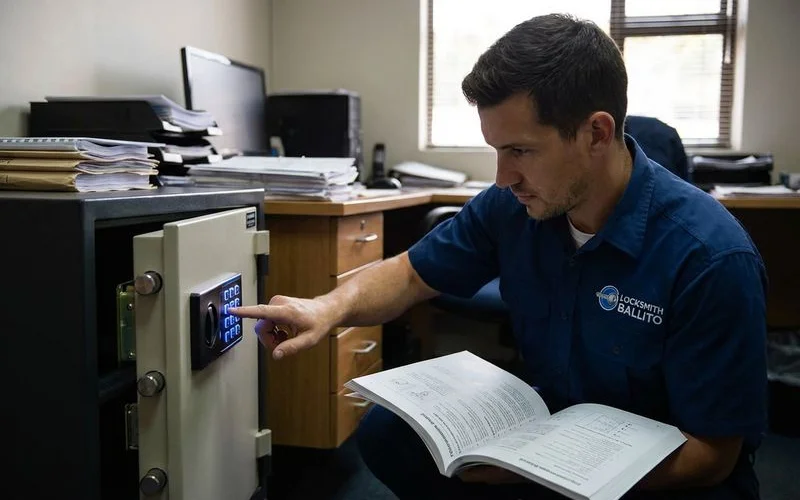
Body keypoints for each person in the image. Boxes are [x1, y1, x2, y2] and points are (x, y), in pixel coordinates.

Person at [232, 13, 767, 500]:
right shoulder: (514, 205)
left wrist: (556, 474)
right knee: (389, 434)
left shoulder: (711, 257)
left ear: (596, 134)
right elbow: (411, 273)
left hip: (659, 472)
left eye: (521, 151)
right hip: (560, 424)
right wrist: (327, 309)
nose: (502, 177)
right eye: (497, 151)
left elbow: (712, 456)